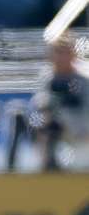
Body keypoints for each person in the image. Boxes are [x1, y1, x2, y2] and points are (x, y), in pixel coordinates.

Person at [32, 35, 89, 171]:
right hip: (58, 139)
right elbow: (40, 109)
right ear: (50, 56)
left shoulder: (84, 81)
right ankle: (46, 165)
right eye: (58, 52)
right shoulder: (47, 79)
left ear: (74, 54)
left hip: (82, 139)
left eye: (66, 51)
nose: (62, 57)